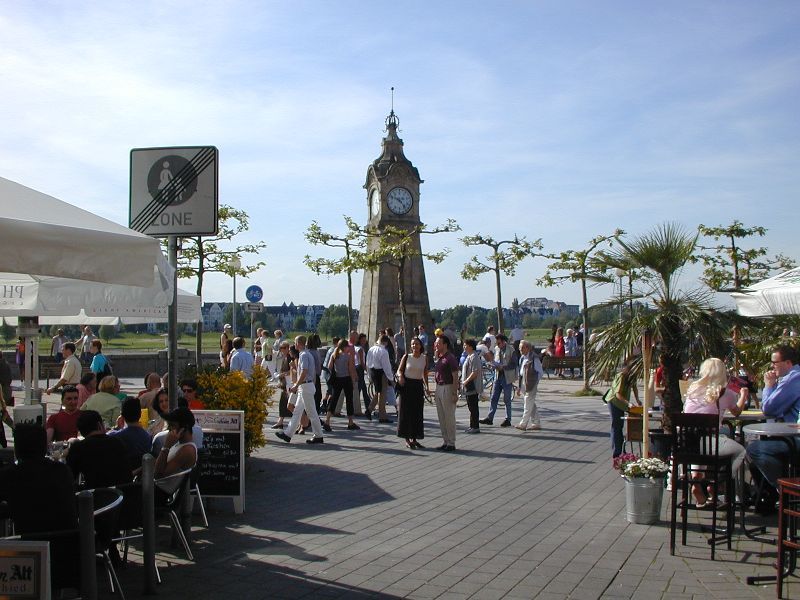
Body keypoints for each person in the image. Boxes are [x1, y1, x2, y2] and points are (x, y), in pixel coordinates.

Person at [683, 357, 747, 507]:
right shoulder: (726, 393)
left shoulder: (692, 389)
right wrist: (743, 395)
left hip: (687, 442)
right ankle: (718, 483)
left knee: (703, 449)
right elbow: (736, 412)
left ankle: (696, 482)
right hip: (707, 441)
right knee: (740, 451)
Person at [0, 424, 77, 534]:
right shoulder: (62, 471)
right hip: (66, 539)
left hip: (28, 542)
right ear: (45, 447)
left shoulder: (9, 475)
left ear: (17, 449)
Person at [746, 344, 800, 502]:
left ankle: (785, 490)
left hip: (795, 439)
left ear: (788, 363)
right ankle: (771, 497)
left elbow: (769, 409)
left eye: (775, 362)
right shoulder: (790, 378)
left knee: (755, 449)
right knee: (759, 455)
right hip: (789, 435)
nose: (772, 366)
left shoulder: (793, 378)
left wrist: (768, 386)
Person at [274, 335, 324, 445]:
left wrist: (296, 385)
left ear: (299, 343)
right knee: (297, 411)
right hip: (305, 386)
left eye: (295, 342)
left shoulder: (304, 355)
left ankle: (318, 435)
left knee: (311, 412)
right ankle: (288, 434)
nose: (294, 344)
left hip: (305, 386)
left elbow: (304, 371)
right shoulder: (305, 354)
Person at [66, 410, 132, 488]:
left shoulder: (78, 448)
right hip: (123, 492)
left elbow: (68, 479)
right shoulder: (117, 442)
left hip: (95, 493)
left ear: (81, 431)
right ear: (99, 425)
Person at [397, 337, 429, 448]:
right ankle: (407, 439)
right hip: (407, 386)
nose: (415, 346)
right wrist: (400, 376)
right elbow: (400, 370)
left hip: (418, 386)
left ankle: (414, 438)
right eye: (413, 344)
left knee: (417, 413)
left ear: (421, 346)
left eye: (417, 344)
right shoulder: (407, 357)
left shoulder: (424, 358)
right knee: (406, 412)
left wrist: (427, 386)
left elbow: (425, 373)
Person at [109, 396, 156, 472]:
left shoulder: (115, 436)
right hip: (141, 474)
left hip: (121, 474)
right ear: (140, 414)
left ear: (122, 415)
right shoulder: (147, 437)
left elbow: (104, 437)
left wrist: (116, 427)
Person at [480, 334, 517, 427]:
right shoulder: (496, 349)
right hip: (497, 376)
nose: (497, 345)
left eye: (499, 343)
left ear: (504, 342)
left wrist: (503, 367)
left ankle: (508, 419)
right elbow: (494, 360)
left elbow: (514, 364)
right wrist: (492, 365)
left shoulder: (511, 349)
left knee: (507, 399)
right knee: (494, 397)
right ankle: (490, 418)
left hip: (507, 377)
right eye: (496, 343)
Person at [324, 338, 360, 432]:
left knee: (334, 400)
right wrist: (353, 381)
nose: (349, 348)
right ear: (344, 347)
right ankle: (350, 422)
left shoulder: (334, 355)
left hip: (337, 379)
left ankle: (327, 421)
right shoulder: (348, 356)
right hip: (346, 379)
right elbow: (351, 369)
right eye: (347, 346)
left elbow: (329, 367)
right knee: (349, 400)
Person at [154, 406, 199, 476]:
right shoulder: (179, 443)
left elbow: (158, 474)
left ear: (185, 427)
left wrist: (166, 446)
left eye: (172, 425)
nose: (169, 429)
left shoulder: (187, 450)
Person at [608, 362, 640, 458]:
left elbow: (635, 388)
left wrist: (638, 400)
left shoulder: (632, 377)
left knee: (621, 426)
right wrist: (628, 403)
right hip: (614, 402)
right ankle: (617, 452)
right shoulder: (621, 376)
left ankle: (622, 450)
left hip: (622, 403)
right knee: (616, 426)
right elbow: (617, 394)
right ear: (628, 369)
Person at [433, 335, 459, 451]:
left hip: (447, 387)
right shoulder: (440, 357)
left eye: (438, 343)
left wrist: (454, 393)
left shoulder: (450, 358)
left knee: (449, 416)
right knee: (441, 417)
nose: (436, 345)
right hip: (439, 387)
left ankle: (451, 442)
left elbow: (455, 376)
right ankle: (445, 440)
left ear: (445, 345)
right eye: (436, 343)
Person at [366, 335, 394, 422]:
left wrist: (369, 375)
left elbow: (367, 363)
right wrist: (391, 378)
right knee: (382, 395)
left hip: (372, 371)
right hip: (381, 373)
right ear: (386, 342)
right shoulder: (384, 352)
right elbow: (387, 367)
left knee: (378, 392)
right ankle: (382, 416)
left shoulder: (371, 349)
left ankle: (369, 409)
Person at [516, 341, 543, 431]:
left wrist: (534, 383)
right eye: (519, 348)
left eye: (522, 348)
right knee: (531, 404)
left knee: (527, 404)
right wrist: (519, 387)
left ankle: (523, 424)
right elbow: (521, 373)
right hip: (524, 382)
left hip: (531, 383)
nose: (520, 350)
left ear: (528, 348)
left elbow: (540, 372)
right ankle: (536, 423)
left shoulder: (534, 358)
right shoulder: (522, 358)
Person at [460, 338, 482, 434]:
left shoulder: (474, 356)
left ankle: (475, 427)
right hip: (468, 386)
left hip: (472, 386)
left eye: (466, 345)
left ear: (471, 346)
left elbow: (475, 372)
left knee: (473, 407)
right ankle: (472, 425)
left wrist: (466, 381)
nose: (464, 347)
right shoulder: (469, 356)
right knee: (471, 406)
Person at [271, 341, 293, 429]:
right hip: (285, 383)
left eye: (283, 348)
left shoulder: (290, 357)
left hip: (289, 384)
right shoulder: (284, 357)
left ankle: (303, 421)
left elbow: (293, 370)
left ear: (287, 348)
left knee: (291, 404)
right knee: (283, 403)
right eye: (280, 348)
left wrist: (283, 374)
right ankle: (280, 421)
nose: (281, 350)